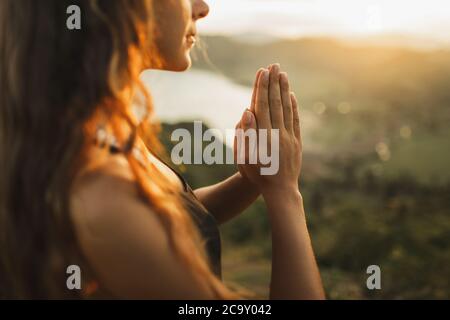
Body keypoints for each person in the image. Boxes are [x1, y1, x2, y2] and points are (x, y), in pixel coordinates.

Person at [0, 0, 325, 299]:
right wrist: (284, 193)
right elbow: (131, 218)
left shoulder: (90, 129)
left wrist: (253, 180)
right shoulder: (102, 189)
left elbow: (174, 212)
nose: (202, 7)